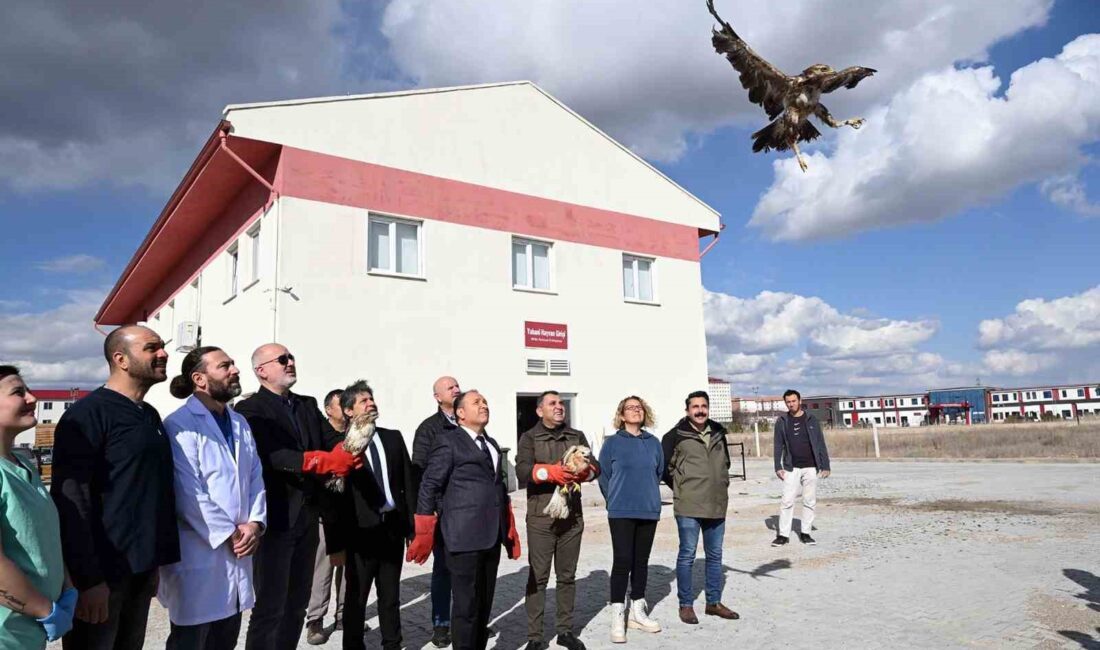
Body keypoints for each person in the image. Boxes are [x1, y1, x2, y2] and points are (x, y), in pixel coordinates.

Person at [51, 325, 180, 650]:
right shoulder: (88, 415)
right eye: (152, 348)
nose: (163, 353)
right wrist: (88, 580)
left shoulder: (149, 414)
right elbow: (71, 501)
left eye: (162, 346)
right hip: (103, 576)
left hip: (141, 569)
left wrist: (156, 562)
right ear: (120, 359)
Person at [235, 344, 363, 650]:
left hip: (307, 516)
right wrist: (322, 461)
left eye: (291, 357)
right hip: (276, 518)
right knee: (269, 607)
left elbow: (331, 439)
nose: (290, 362)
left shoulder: (306, 405)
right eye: (282, 359)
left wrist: (357, 439)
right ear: (261, 370)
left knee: (296, 605)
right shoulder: (250, 410)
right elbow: (273, 455)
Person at [159, 347, 267, 650]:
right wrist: (231, 533)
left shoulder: (239, 423)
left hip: (240, 549)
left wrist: (256, 524)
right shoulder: (180, 424)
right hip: (200, 552)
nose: (235, 370)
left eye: (233, 364)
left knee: (225, 639)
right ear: (199, 379)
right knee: (191, 641)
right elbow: (188, 492)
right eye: (224, 366)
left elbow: (255, 477)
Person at [408, 390, 521, 650]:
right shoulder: (449, 441)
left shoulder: (490, 443)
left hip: (491, 536)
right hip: (462, 537)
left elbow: (497, 488)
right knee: (466, 608)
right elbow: (429, 485)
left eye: (485, 401)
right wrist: (426, 527)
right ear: (460, 413)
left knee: (483, 606)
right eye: (476, 402)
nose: (484, 405)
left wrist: (508, 527)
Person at [326, 380, 415, 650]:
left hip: (392, 529)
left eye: (371, 398)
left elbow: (408, 483)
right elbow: (333, 501)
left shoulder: (393, 437)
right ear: (349, 411)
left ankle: (392, 643)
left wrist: (413, 528)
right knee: (356, 597)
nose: (371, 403)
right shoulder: (341, 446)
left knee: (390, 595)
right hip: (359, 533)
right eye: (363, 400)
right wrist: (336, 544)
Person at [515, 390, 599, 650]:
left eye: (561, 403)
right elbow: (521, 470)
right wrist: (550, 472)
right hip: (542, 518)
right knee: (538, 577)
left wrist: (584, 472)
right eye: (553, 403)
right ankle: (535, 637)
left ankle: (565, 631)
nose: (559, 407)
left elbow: (595, 467)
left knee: (567, 576)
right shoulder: (529, 437)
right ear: (540, 410)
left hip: (572, 518)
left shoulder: (576, 436)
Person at [0, 365, 77, 648]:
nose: (32, 398)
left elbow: (43, 538)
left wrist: (65, 587)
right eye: (18, 392)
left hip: (27, 632)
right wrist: (45, 610)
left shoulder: (23, 468)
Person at [661, 391, 739, 625]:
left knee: (715, 556)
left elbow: (726, 462)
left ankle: (713, 603)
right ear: (687, 410)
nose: (700, 410)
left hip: (716, 503)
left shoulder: (718, 432)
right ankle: (686, 605)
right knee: (687, 555)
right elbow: (665, 468)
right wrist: (682, 487)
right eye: (695, 406)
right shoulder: (674, 435)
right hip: (689, 504)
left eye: (704, 405)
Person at [597, 396, 663, 643]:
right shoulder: (612, 443)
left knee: (641, 561)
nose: (636, 411)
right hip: (621, 511)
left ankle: (637, 611)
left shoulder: (654, 443)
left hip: (648, 509)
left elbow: (658, 473)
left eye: (639, 407)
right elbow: (604, 476)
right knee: (622, 560)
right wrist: (614, 499)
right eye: (630, 408)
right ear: (622, 415)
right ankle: (617, 613)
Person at [411, 376, 460, 648]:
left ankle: (466, 620)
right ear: (438, 397)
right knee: (443, 569)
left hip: (469, 511)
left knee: (468, 570)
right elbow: (420, 470)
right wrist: (427, 512)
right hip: (443, 509)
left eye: (457, 385)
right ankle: (441, 624)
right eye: (450, 387)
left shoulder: (469, 422)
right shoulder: (429, 429)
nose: (456, 389)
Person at [306, 389, 349, 645]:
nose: (345, 409)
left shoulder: (355, 436)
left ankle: (345, 613)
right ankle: (315, 619)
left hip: (351, 512)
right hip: (326, 511)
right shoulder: (320, 437)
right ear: (328, 410)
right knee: (323, 567)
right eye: (339, 405)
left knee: (349, 567)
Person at [772, 389, 831, 547]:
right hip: (791, 467)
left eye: (793, 401)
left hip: (811, 466)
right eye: (788, 402)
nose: (791, 404)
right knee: (786, 501)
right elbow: (778, 445)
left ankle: (805, 533)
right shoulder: (782, 421)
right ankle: (783, 535)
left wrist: (825, 465)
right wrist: (778, 466)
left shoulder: (811, 419)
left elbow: (820, 443)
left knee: (809, 501)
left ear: (800, 401)